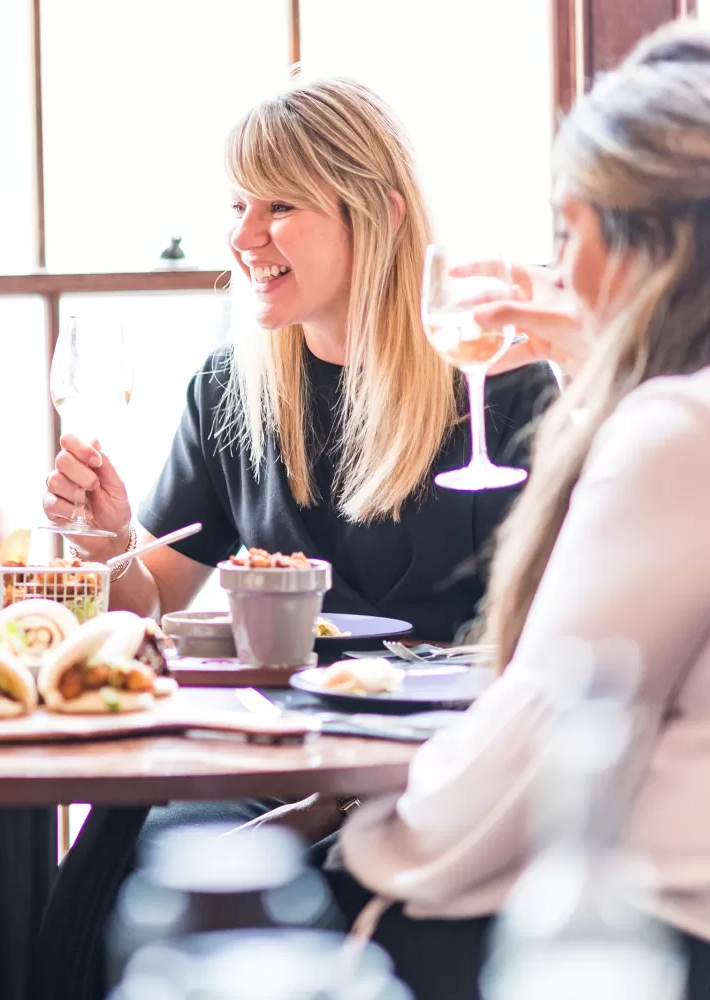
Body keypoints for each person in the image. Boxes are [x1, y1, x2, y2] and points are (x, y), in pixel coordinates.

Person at [273, 24, 710, 999]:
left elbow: (543, 740)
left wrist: (358, 835)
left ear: (645, 241)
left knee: (191, 931)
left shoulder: (677, 430)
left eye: (569, 230)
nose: (560, 267)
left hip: (649, 934)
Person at [45, 77, 559, 644]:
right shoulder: (226, 391)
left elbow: (562, 619)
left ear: (383, 216)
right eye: (238, 205)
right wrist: (107, 541)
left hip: (461, 723)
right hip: (281, 724)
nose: (243, 236)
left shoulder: (499, 380)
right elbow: (154, 606)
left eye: (280, 205)